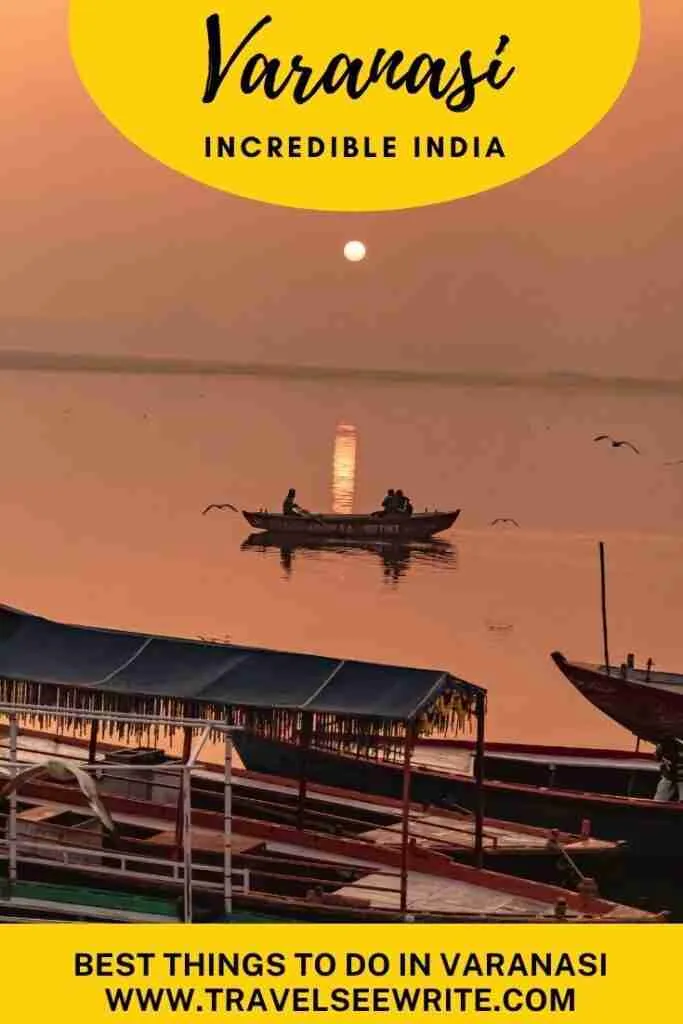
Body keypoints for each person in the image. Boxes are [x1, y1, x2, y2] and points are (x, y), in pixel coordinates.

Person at [653, 737, 683, 801]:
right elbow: (657, 756)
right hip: (668, 777)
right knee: (659, 801)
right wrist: (664, 760)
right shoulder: (665, 743)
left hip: (680, 778)